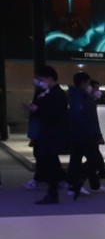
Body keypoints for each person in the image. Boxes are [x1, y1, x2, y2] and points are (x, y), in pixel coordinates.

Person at [22, 66, 69, 204]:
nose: (38, 81)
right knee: (49, 161)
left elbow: (56, 114)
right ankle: (54, 189)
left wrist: (37, 109)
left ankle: (53, 191)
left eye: (40, 78)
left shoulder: (58, 93)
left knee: (50, 162)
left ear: (49, 78)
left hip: (52, 133)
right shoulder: (43, 92)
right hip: (44, 132)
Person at [66, 72, 105, 199]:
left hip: (80, 134)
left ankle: (77, 185)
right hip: (84, 135)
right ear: (83, 83)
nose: (90, 86)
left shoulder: (81, 97)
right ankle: (77, 182)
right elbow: (87, 119)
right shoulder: (79, 98)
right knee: (94, 159)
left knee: (76, 160)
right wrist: (96, 134)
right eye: (89, 83)